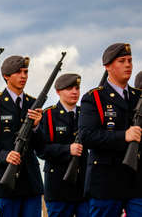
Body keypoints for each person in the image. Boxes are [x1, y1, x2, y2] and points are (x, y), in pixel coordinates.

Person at [79, 43, 141, 217]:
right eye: (122, 61)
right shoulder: (94, 98)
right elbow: (86, 136)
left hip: (136, 181)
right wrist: (124, 136)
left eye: (130, 60)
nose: (128, 65)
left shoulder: (138, 97)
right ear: (108, 67)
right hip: (105, 182)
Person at [0, 55, 43, 217]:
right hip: (6, 181)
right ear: (6, 76)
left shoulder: (33, 103)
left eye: (26, 72)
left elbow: (42, 146)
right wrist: (4, 155)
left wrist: (36, 127)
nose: (23, 76)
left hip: (31, 181)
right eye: (18, 72)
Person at [37, 74, 88, 216]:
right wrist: (67, 149)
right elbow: (41, 150)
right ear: (58, 91)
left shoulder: (85, 114)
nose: (74, 92)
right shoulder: (48, 115)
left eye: (77, 88)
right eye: (69, 88)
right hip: (58, 188)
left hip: (83, 187)